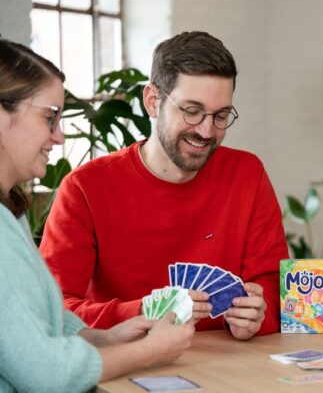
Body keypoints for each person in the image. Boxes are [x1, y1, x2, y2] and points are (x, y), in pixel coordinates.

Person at [40, 31, 288, 339]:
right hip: (125, 365)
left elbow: (276, 290)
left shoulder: (247, 173)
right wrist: (143, 313)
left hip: (229, 367)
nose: (207, 131)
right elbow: (52, 311)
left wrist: (258, 316)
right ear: (153, 102)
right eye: (192, 111)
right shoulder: (83, 188)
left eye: (221, 115)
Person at [0, 38, 194, 393]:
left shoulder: (10, 213)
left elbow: (32, 327)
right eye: (49, 117)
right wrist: (150, 351)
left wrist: (106, 338)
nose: (59, 137)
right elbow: (47, 372)